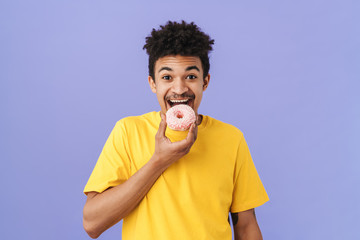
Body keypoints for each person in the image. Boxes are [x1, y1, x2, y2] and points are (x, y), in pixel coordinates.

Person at [83, 20, 269, 240]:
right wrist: (158, 161)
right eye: (167, 77)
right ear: (153, 84)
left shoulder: (231, 138)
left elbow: (246, 228)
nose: (179, 89)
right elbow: (92, 224)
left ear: (205, 82)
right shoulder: (128, 131)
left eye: (191, 76)